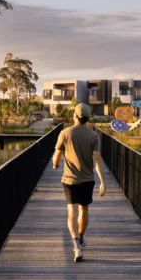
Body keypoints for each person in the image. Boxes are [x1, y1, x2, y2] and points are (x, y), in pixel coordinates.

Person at [52, 103, 107, 262]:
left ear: (75, 116)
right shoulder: (93, 136)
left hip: (69, 179)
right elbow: (97, 159)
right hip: (87, 179)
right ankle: (81, 237)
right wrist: (103, 182)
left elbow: (56, 156)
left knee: (71, 211)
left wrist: (55, 164)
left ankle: (76, 246)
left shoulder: (65, 133)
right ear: (87, 118)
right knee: (84, 209)